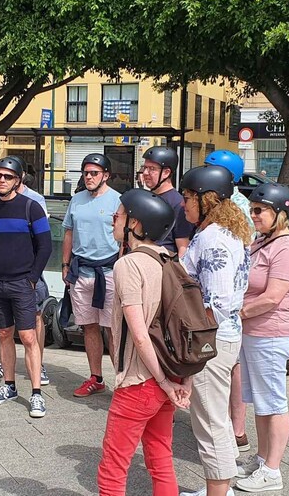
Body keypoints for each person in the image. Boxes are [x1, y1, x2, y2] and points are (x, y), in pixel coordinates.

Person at [97, 189, 191, 496]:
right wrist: (181, 381)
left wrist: (162, 382)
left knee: (114, 464)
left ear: (136, 224)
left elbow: (138, 334)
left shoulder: (128, 264)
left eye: (119, 214)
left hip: (140, 379)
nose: (113, 219)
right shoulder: (173, 261)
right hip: (171, 373)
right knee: (160, 457)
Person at [177, 166, 253, 496]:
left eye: (188, 197)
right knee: (214, 418)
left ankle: (218, 492)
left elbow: (217, 302)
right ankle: (220, 488)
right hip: (224, 337)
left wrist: (195, 340)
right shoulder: (223, 232)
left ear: (207, 199)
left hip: (211, 342)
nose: (183, 204)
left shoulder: (213, 239)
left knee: (210, 423)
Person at [234, 183, 289, 493]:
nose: (254, 215)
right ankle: (262, 458)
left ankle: (272, 470)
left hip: (271, 334)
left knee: (273, 403)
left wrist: (236, 313)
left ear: (280, 213)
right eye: (252, 210)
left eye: (259, 210)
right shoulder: (262, 242)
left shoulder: (287, 249)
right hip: (254, 334)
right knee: (260, 402)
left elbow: (272, 298)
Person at [0, 157, 53, 418]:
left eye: (8, 177)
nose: (2, 180)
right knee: (3, 334)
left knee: (29, 337)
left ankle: (36, 394)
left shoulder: (31, 208)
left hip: (23, 282)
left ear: (18, 180)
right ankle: (8, 386)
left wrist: (32, 278)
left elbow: (46, 246)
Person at [203, 150, 253, 452]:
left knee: (231, 367)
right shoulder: (232, 204)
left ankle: (234, 429)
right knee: (232, 366)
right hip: (233, 304)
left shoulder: (236, 208)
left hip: (225, 306)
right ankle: (234, 429)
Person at [61, 154, 121, 397]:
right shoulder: (76, 200)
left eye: (94, 173)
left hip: (109, 272)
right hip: (81, 271)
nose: (89, 177)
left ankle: (122, 381)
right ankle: (96, 377)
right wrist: (65, 265)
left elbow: (124, 238)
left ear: (105, 175)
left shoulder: (118, 200)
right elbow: (68, 232)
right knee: (88, 327)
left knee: (113, 329)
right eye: (86, 173)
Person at [139, 146, 195, 255]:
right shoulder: (145, 198)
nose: (145, 172)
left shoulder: (178, 204)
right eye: (144, 167)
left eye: (152, 169)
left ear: (166, 172)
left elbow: (183, 248)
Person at [205, 150, 252, 230]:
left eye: (212, 171)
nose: (206, 174)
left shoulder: (239, 204)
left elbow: (248, 238)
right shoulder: (211, 197)